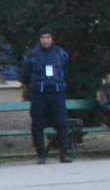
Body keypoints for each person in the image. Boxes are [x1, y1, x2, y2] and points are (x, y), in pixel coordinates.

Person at [21, 30, 77, 163]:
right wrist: (35, 87)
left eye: (48, 37)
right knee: (37, 124)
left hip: (57, 93)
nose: (45, 40)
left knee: (62, 123)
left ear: (52, 38)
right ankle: (41, 155)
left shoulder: (61, 54)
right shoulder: (32, 55)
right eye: (42, 37)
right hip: (39, 94)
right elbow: (25, 76)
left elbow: (66, 71)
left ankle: (63, 154)